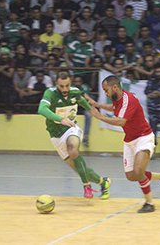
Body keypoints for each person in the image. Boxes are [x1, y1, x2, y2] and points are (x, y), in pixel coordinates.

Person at [85, 76, 160, 213]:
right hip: (130, 140)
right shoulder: (118, 99)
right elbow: (113, 107)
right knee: (131, 176)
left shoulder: (129, 99)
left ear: (115, 87)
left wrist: (99, 116)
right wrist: (97, 105)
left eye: (106, 90)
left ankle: (149, 203)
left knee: (139, 172)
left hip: (143, 137)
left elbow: (121, 121)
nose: (106, 94)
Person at [38, 71, 111, 199]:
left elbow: (82, 101)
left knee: (73, 148)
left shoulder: (75, 92)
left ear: (70, 83)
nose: (65, 89)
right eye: (62, 86)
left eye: (67, 85)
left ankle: (86, 186)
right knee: (80, 169)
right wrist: (60, 119)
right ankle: (103, 182)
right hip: (56, 135)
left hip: (71, 128)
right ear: (57, 84)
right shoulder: (50, 93)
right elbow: (42, 109)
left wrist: (94, 112)